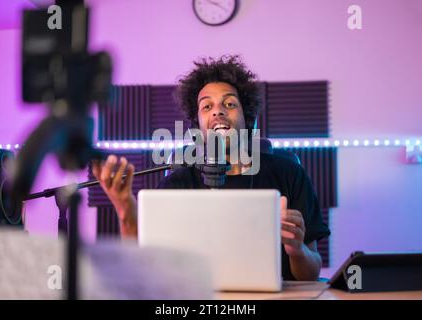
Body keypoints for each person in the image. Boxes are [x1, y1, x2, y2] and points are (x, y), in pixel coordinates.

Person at [92, 55, 330, 281]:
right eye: (207, 106)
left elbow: (310, 272)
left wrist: (297, 250)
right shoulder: (178, 181)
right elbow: (141, 267)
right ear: (198, 126)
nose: (218, 111)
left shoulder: (289, 172)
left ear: (247, 119)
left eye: (229, 103)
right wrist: (125, 209)